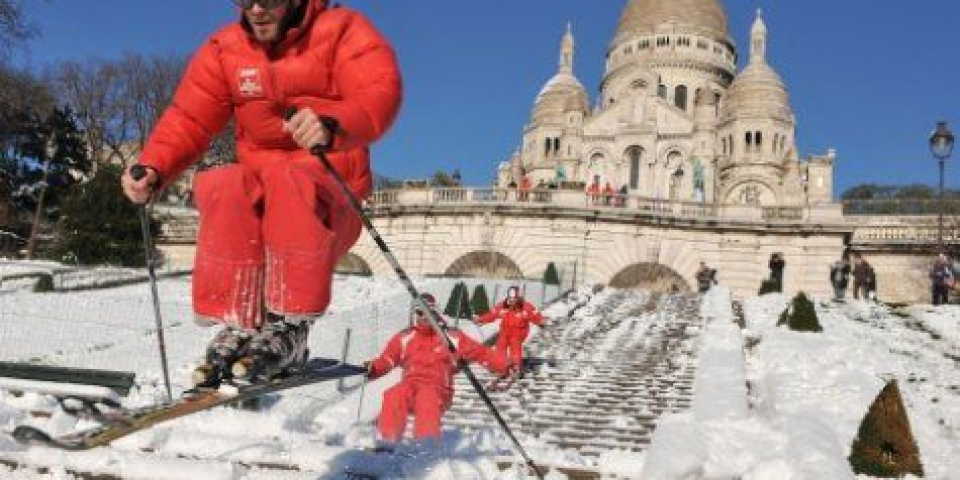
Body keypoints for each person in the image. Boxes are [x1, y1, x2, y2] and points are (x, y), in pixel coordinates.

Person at [120, 0, 402, 386]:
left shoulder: (341, 31)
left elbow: (379, 93)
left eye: (268, 0)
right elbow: (189, 118)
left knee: (290, 177)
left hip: (327, 201)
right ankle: (240, 320)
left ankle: (290, 324)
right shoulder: (226, 49)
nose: (255, 9)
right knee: (223, 183)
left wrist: (334, 124)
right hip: (262, 203)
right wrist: (155, 166)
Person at [365, 293, 512, 447]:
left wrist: (504, 365)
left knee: (427, 397)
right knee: (393, 394)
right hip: (411, 384)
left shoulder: (450, 337)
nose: (423, 317)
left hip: (439, 387)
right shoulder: (405, 337)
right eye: (419, 313)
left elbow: (480, 352)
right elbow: (387, 359)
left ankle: (425, 446)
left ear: (435, 312)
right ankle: (386, 443)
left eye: (428, 312)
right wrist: (373, 368)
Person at [474, 286, 544, 370]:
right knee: (500, 344)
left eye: (514, 299)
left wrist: (541, 321)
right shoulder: (503, 306)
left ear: (518, 298)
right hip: (505, 331)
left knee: (515, 343)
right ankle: (501, 365)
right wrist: (480, 320)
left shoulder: (525, 307)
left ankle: (516, 365)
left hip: (519, 331)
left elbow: (534, 315)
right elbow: (492, 315)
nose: (512, 301)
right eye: (510, 298)